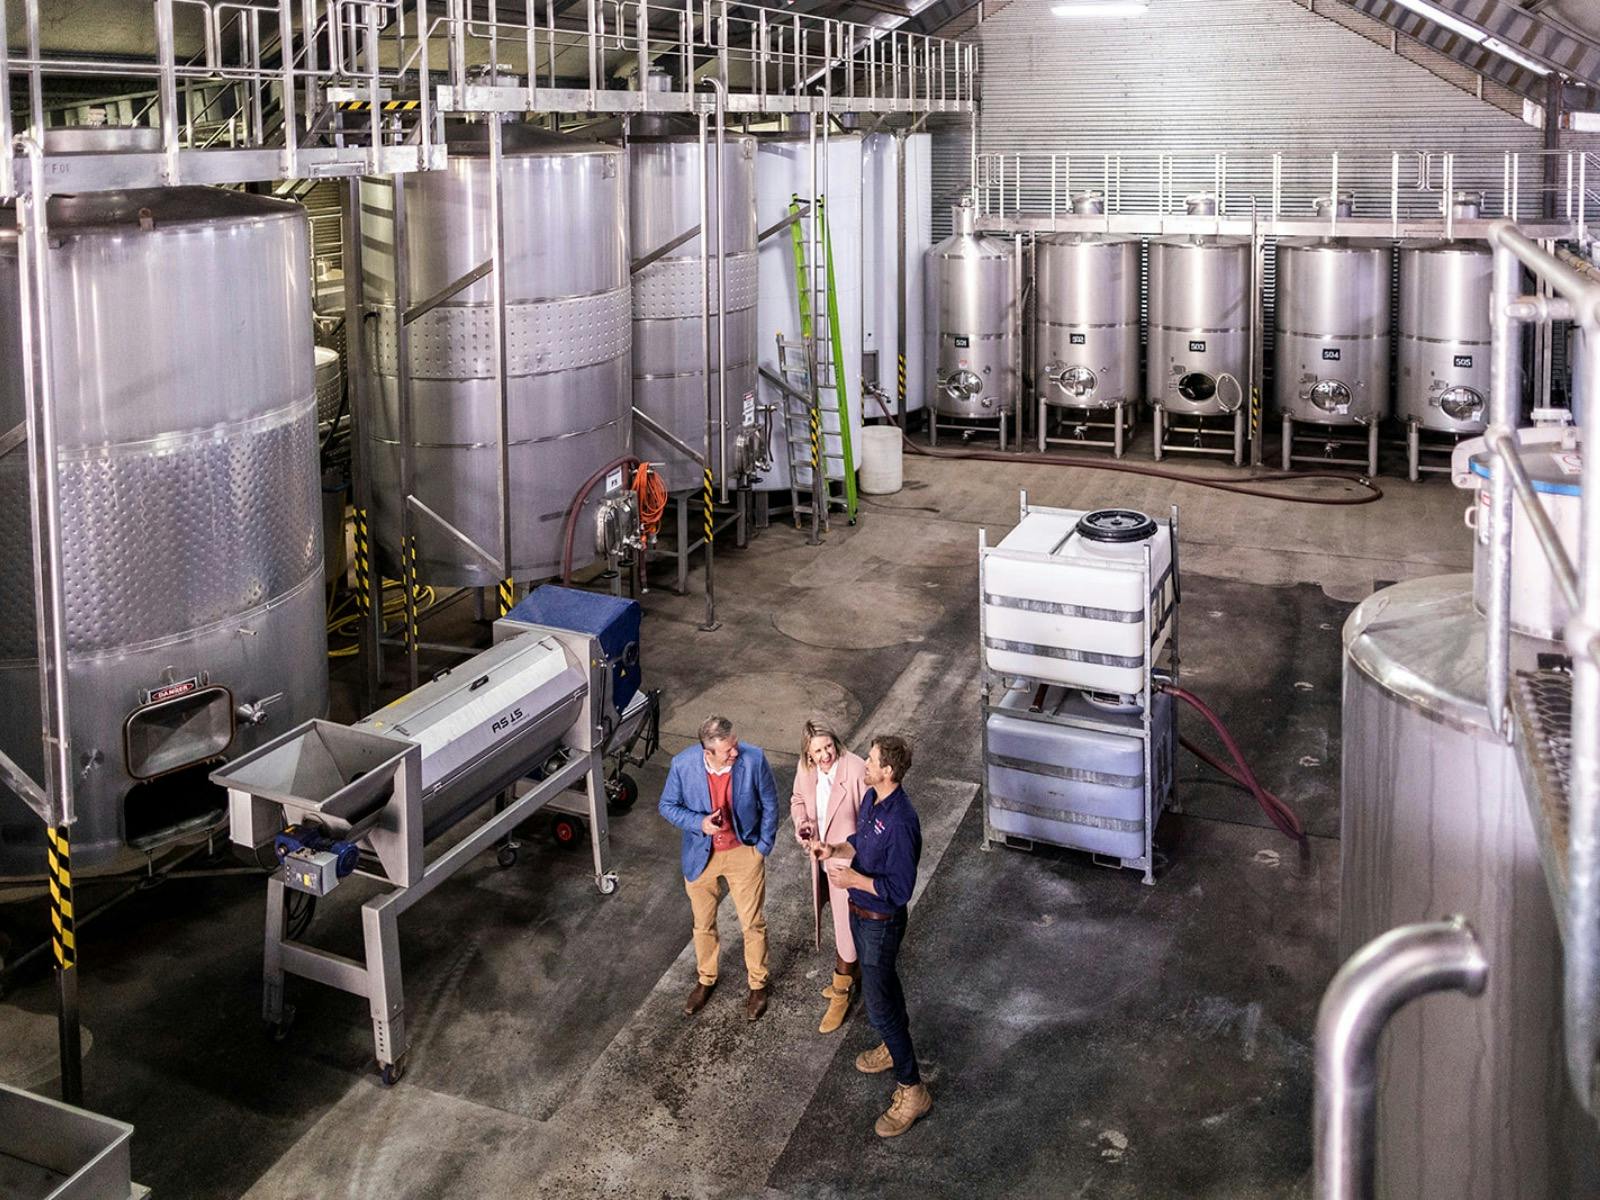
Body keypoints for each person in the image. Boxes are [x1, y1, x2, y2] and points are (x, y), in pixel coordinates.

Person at [816, 734, 930, 1138]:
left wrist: (855, 880)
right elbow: (861, 843)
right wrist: (835, 850)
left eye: (871, 759)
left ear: (888, 771)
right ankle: (891, 1044)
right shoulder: (871, 799)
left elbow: (899, 890)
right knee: (885, 989)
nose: (863, 762)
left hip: (881, 923)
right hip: (861, 916)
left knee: (879, 1005)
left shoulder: (901, 820)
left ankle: (912, 1090)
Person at [658, 714, 780, 1020]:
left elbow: (770, 802)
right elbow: (667, 806)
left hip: (743, 851)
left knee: (752, 923)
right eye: (728, 750)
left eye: (735, 745)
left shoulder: (753, 759)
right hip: (702, 855)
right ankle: (706, 980)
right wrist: (699, 823)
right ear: (707, 752)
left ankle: (758, 985)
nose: (735, 753)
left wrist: (761, 847)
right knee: (702, 924)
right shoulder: (683, 766)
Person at [789, 720, 868, 1035]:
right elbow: (797, 800)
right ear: (807, 755)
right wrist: (803, 825)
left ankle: (841, 990)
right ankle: (855, 976)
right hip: (821, 861)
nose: (824, 756)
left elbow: (872, 818)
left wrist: (859, 861)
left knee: (846, 929)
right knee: (842, 924)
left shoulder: (856, 768)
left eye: (828, 747)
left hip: (848, 865)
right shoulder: (806, 770)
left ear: (837, 741)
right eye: (817, 751)